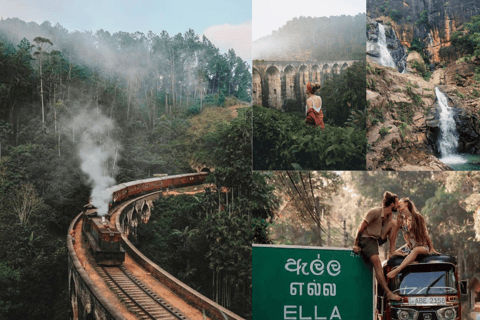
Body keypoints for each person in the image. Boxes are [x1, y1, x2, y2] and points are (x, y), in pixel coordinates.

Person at [353, 191, 402, 301]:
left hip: (376, 239)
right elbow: (361, 227)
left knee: (395, 223)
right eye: (397, 203)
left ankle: (392, 251)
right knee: (377, 264)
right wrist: (356, 244)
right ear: (392, 204)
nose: (398, 205)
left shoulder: (389, 215)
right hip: (366, 239)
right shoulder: (375, 212)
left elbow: (389, 229)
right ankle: (388, 293)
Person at [386, 197, 439, 279]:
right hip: (409, 247)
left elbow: (426, 234)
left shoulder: (418, 217)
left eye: (399, 205)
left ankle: (398, 270)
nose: (398, 209)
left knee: (416, 250)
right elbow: (394, 232)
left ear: (406, 203)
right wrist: (397, 224)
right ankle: (390, 281)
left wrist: (431, 248)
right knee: (390, 256)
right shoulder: (403, 220)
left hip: (422, 247)